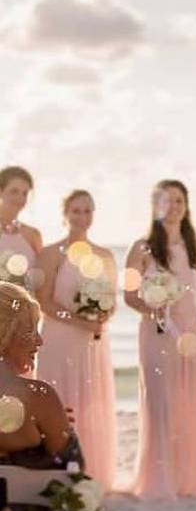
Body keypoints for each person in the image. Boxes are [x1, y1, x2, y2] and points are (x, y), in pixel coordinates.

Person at [124, 180, 196, 499]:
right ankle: (158, 480)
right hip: (156, 333)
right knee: (159, 403)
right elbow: (128, 295)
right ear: (155, 205)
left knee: (188, 403)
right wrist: (151, 308)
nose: (173, 206)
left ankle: (187, 479)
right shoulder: (141, 247)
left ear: (186, 205)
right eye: (167, 200)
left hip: (191, 333)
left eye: (179, 200)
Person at [35, 190, 118, 490]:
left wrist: (103, 315)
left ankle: (89, 472)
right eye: (76, 211)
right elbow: (43, 301)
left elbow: (112, 300)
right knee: (59, 403)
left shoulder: (105, 256)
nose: (82, 217)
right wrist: (79, 320)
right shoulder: (51, 253)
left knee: (90, 402)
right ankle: (55, 473)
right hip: (58, 340)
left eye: (87, 211)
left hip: (92, 343)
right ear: (65, 213)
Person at [0, 282, 82, 511]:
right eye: (30, 331)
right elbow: (73, 467)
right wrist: (62, 426)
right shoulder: (40, 395)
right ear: (5, 335)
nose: (40, 341)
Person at [0, 167, 42, 290]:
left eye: (25, 193)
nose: (20, 198)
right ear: (1, 191)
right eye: (14, 191)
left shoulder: (33, 235)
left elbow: (41, 280)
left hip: (26, 306)